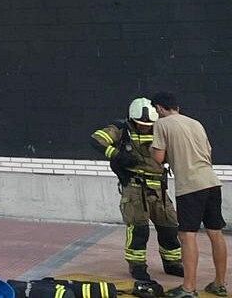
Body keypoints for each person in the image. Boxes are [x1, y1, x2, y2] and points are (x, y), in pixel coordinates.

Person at [93, 98, 184, 285]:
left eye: (148, 124)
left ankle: (172, 263)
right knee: (138, 229)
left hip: (159, 187)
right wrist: (118, 155)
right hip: (134, 188)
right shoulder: (121, 128)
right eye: (140, 125)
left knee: (169, 226)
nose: (145, 127)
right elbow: (97, 140)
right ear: (132, 119)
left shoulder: (160, 128)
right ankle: (137, 266)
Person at [151, 93, 226, 298]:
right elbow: (208, 151)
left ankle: (188, 288)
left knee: (187, 236)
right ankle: (219, 284)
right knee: (215, 233)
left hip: (190, 186)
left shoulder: (162, 124)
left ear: (159, 108)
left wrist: (153, 151)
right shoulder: (196, 123)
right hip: (211, 182)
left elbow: (158, 157)